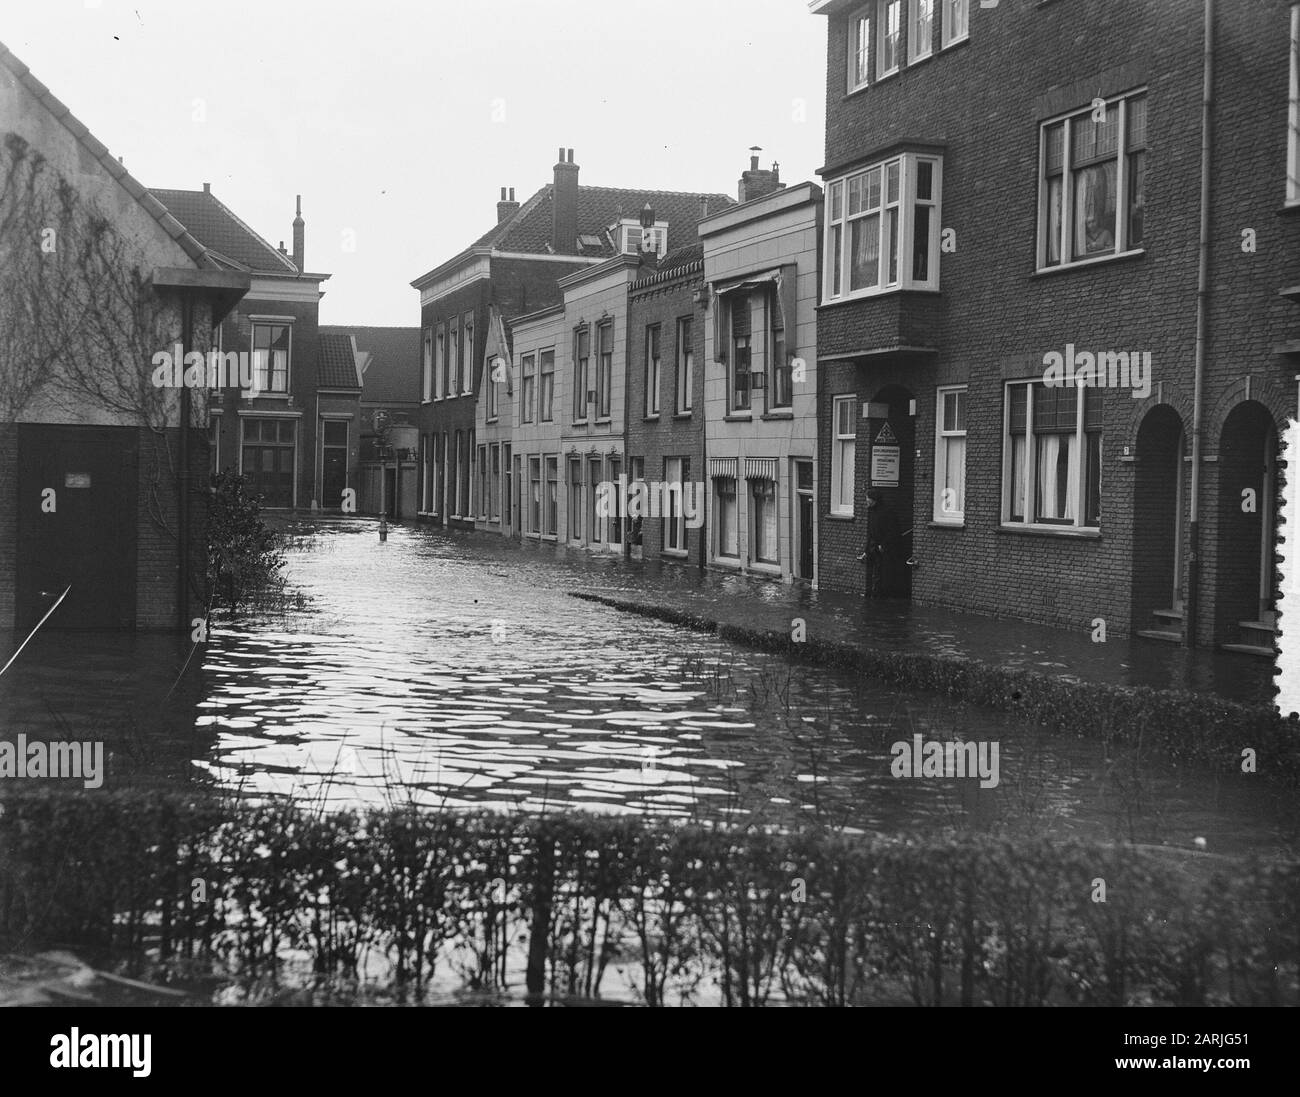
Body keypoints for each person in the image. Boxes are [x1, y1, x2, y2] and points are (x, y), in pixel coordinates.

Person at [856, 490, 899, 598]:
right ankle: (871, 593)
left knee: (880, 571)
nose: (866, 500)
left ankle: (878, 594)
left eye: (868, 498)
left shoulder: (886, 512)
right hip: (873, 545)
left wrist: (883, 544)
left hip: (882, 547)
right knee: (871, 570)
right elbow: (870, 532)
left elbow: (891, 530)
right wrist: (866, 550)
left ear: (874, 499)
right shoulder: (871, 511)